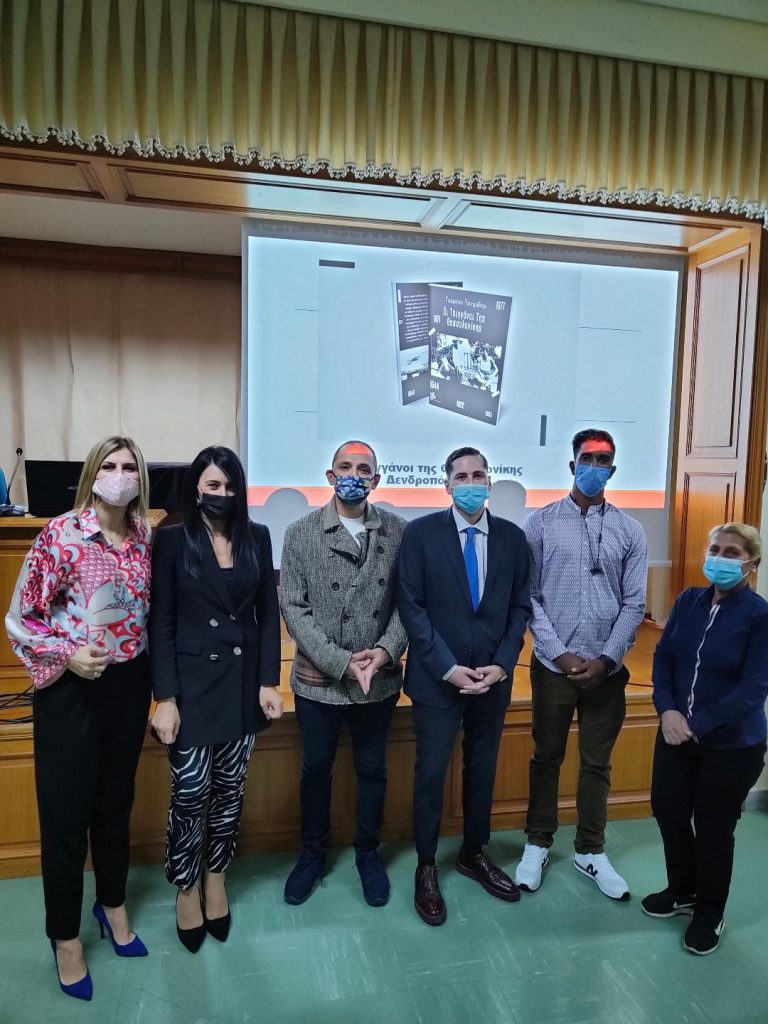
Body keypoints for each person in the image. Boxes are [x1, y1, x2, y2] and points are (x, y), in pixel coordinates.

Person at [6, 437, 153, 1001]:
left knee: (114, 805)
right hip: (71, 690)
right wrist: (67, 654)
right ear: (92, 474)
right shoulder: (60, 535)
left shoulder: (144, 537)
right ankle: (65, 937)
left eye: (129, 467)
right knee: (66, 817)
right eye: (109, 466)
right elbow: (21, 618)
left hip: (128, 686)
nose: (120, 475)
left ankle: (111, 904)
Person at [149, 446, 283, 953]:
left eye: (229, 486)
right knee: (189, 793)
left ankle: (216, 876)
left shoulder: (257, 536)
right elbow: (160, 621)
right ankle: (185, 885)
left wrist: (268, 680)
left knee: (229, 791)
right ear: (196, 489)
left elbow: (267, 616)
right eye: (212, 486)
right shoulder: (171, 540)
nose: (222, 494)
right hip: (189, 688)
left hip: (242, 685)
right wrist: (165, 696)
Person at [398, 446, 530, 925]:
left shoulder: (513, 538)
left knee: (482, 770)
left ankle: (474, 853)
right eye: (461, 476)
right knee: (431, 774)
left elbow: (519, 608)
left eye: (479, 475)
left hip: (492, 680)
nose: (471, 483)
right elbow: (411, 608)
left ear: (489, 482)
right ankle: (426, 865)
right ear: (447, 484)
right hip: (438, 681)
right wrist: (447, 667)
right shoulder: (420, 535)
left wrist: (502, 665)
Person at [515, 429, 647, 900]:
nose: (595, 466)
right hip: (554, 668)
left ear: (613, 469)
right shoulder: (540, 524)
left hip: (606, 672)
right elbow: (529, 596)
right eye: (587, 459)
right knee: (546, 756)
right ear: (573, 466)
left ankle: (591, 850)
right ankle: (537, 843)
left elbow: (634, 602)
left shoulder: (631, 531)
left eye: (603, 460)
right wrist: (561, 654)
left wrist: (607, 659)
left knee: (597, 763)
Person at [279, 440, 407, 907]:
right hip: (320, 681)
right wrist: (339, 661)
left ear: (377, 478)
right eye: (345, 467)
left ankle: (368, 854)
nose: (354, 475)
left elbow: (408, 603)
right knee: (316, 769)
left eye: (364, 468)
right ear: (330, 476)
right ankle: (312, 855)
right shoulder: (300, 532)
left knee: (372, 769)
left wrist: (385, 651)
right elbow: (293, 606)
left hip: (379, 678)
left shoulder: (399, 531)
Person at [643, 522, 768, 955]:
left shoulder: (759, 616)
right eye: (715, 549)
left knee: (714, 829)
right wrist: (667, 709)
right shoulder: (688, 601)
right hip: (676, 733)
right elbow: (664, 658)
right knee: (668, 810)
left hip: (732, 745)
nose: (720, 558)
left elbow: (753, 688)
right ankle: (683, 891)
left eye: (732, 553)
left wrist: (695, 724)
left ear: (752, 564)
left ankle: (710, 912)